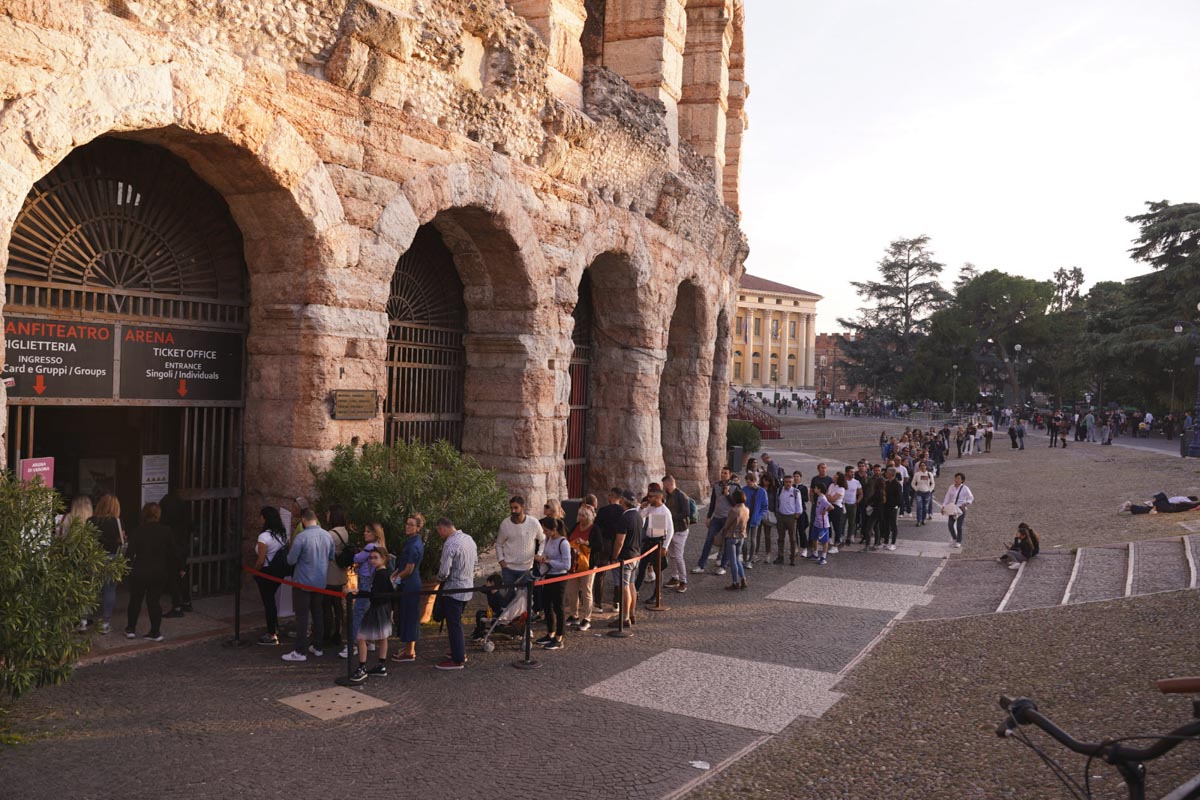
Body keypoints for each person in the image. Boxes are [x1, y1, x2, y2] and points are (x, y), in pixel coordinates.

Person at [282, 508, 334, 663]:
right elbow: (331, 556)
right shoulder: (327, 536)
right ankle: (318, 647)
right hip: (320, 582)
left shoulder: (301, 537)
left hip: (303, 582)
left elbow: (291, 560)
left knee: (302, 617)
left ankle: (300, 651)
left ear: (303, 520)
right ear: (316, 519)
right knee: (318, 614)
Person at [124, 502, 171, 642]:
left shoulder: (138, 531)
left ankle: (131, 629)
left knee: (135, 600)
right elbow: (172, 551)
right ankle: (155, 632)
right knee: (154, 601)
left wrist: (125, 569)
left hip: (140, 570)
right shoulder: (166, 530)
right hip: (159, 571)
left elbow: (129, 553)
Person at [435, 517, 477, 670]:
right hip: (467, 587)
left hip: (453, 589)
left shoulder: (450, 544)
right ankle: (458, 651)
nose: (439, 535)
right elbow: (475, 562)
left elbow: (444, 572)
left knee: (454, 624)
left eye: (439, 531)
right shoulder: (469, 539)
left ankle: (458, 658)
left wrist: (438, 579)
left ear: (442, 528)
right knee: (456, 622)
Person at [347, 546, 393, 683]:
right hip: (384, 608)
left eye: (375, 558)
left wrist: (357, 592)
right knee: (383, 637)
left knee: (361, 637)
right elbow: (390, 591)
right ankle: (381, 665)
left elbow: (374, 594)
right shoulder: (384, 573)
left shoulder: (380, 574)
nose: (372, 560)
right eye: (371, 558)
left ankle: (362, 668)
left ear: (383, 559)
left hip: (377, 609)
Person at [340, 520, 385, 660]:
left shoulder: (370, 547)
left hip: (366, 581)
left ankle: (353, 645)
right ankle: (369, 641)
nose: (365, 533)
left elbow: (357, 558)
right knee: (367, 612)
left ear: (375, 534)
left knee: (358, 612)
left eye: (368, 531)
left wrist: (350, 554)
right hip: (371, 581)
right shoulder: (380, 545)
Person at [495, 496, 545, 603]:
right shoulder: (505, 524)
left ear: (523, 507)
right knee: (509, 597)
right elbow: (499, 544)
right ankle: (507, 613)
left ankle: (525, 614)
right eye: (511, 508)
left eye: (516, 508)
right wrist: (501, 560)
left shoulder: (533, 523)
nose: (513, 511)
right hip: (508, 568)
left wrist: (539, 554)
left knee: (525, 598)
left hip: (526, 568)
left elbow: (543, 540)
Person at [390, 515, 425, 662]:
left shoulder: (414, 544)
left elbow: (409, 569)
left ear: (418, 528)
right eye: (407, 524)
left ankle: (410, 652)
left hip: (410, 582)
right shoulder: (411, 541)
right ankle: (408, 647)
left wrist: (397, 579)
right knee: (406, 614)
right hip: (407, 580)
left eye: (411, 525)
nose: (407, 526)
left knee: (410, 616)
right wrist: (395, 574)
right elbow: (403, 564)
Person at [253, 506, 289, 645]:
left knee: (268, 603)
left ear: (265, 518)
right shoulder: (282, 534)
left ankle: (271, 633)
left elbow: (261, 560)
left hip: (267, 572)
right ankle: (274, 627)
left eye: (261, 516)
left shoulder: (264, 537)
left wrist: (255, 571)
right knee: (271, 600)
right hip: (278, 572)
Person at [534, 516, 571, 650]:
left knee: (558, 607)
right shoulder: (548, 540)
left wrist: (550, 562)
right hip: (548, 576)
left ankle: (559, 637)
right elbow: (545, 554)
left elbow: (566, 565)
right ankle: (550, 633)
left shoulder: (564, 543)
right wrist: (542, 559)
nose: (545, 533)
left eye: (546, 531)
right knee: (546, 605)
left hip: (559, 578)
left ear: (554, 529)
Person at [608, 490, 643, 628]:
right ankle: (632, 613)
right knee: (631, 585)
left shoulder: (625, 518)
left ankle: (625, 618)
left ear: (623, 501)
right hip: (635, 556)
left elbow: (619, 541)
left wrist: (614, 556)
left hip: (625, 558)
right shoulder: (637, 515)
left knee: (625, 588)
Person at [91, 494, 125, 635]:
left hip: (95, 557)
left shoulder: (91, 520)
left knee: (90, 589)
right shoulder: (117, 522)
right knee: (109, 590)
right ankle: (105, 623)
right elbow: (121, 540)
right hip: (112, 557)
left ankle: (83, 620)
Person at [694, 468, 733, 575]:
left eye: (725, 473)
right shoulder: (716, 485)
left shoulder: (735, 487)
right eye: (722, 473)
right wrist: (708, 517)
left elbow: (735, 503)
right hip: (716, 517)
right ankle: (701, 565)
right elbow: (712, 502)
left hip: (728, 518)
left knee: (726, 542)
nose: (723, 475)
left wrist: (727, 494)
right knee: (708, 540)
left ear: (729, 475)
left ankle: (723, 566)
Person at [159, 493, 192, 619]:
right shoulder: (184, 518)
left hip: (173, 549)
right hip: (183, 548)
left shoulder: (168, 523)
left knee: (173, 577)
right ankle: (186, 602)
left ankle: (177, 606)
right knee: (182, 574)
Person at [637, 484, 674, 597]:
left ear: (658, 497)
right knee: (642, 567)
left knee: (658, 570)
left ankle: (656, 595)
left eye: (651, 497)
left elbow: (670, 530)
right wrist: (642, 507)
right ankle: (636, 589)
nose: (648, 499)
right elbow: (641, 516)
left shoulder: (665, 511)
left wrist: (665, 547)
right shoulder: (650, 507)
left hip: (658, 541)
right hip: (649, 540)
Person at [323, 505, 350, 648]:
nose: (326, 515)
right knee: (338, 605)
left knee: (327, 605)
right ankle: (338, 633)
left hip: (330, 573)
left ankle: (327, 634)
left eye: (328, 513)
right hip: (341, 573)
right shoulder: (345, 531)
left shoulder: (330, 534)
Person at [564, 504, 595, 630]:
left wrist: (585, 543)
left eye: (583, 515)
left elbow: (598, 545)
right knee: (572, 591)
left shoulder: (594, 529)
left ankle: (587, 618)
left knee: (586, 591)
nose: (581, 518)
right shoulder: (576, 526)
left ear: (589, 517)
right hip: (573, 564)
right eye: (580, 515)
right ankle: (574, 615)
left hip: (588, 565)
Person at [662, 475, 692, 594]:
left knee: (678, 556)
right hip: (672, 530)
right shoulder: (668, 496)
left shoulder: (681, 496)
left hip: (680, 530)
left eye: (664, 485)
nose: (663, 487)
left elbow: (686, 512)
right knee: (672, 556)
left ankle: (683, 581)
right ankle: (675, 577)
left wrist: (670, 517)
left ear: (669, 484)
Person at [721, 488, 749, 590]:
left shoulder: (733, 510)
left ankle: (735, 582)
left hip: (732, 536)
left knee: (733, 561)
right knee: (737, 559)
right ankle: (743, 579)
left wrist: (723, 532)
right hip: (741, 536)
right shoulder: (746, 509)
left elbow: (727, 524)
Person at [774, 472, 805, 565]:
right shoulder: (780, 490)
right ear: (784, 482)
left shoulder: (796, 492)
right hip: (781, 516)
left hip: (791, 517)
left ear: (792, 482)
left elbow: (799, 506)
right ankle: (780, 557)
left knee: (793, 539)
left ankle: (792, 558)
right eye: (786, 482)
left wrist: (796, 516)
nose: (788, 484)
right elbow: (777, 502)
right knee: (780, 538)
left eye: (790, 482)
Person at [741, 472, 768, 569]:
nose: (748, 484)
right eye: (747, 482)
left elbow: (765, 506)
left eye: (749, 482)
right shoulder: (744, 490)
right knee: (744, 539)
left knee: (753, 539)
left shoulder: (761, 491)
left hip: (755, 518)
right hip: (745, 518)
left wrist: (759, 516)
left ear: (754, 481)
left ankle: (750, 559)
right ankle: (745, 559)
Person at [941, 473, 975, 548]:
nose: (956, 480)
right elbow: (947, 497)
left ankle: (959, 541)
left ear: (962, 480)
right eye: (956, 478)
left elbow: (971, 498)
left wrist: (965, 504)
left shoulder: (965, 488)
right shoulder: (951, 487)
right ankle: (954, 538)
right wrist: (943, 506)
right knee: (950, 525)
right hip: (952, 508)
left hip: (961, 509)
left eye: (958, 478)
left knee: (959, 526)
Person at [809, 484, 832, 566]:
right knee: (814, 538)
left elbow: (831, 507)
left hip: (823, 523)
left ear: (819, 489)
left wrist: (825, 511)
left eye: (815, 488)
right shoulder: (819, 497)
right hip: (817, 522)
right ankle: (815, 554)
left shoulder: (822, 498)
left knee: (824, 540)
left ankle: (823, 557)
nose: (814, 489)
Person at [1119, 493, 1200, 515]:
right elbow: (1194, 506)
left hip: (1167, 506)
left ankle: (1152, 503)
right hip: (1168, 507)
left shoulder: (1183, 498)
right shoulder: (1187, 501)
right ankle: (1128, 507)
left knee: (1162, 495)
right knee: (1146, 510)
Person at [912, 461, 936, 527]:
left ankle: (923, 519)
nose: (923, 467)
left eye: (924, 465)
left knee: (925, 507)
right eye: (921, 465)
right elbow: (913, 483)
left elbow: (933, 483)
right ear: (919, 467)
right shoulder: (917, 474)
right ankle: (919, 520)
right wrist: (916, 489)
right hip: (919, 492)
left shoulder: (929, 474)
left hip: (927, 493)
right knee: (919, 507)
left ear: (926, 466)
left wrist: (930, 490)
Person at [843, 466, 861, 546]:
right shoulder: (843, 482)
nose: (853, 473)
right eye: (851, 472)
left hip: (853, 504)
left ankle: (849, 537)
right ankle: (841, 535)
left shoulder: (856, 482)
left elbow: (860, 493)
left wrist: (857, 501)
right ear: (846, 472)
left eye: (853, 472)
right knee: (842, 521)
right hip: (844, 504)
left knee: (852, 522)